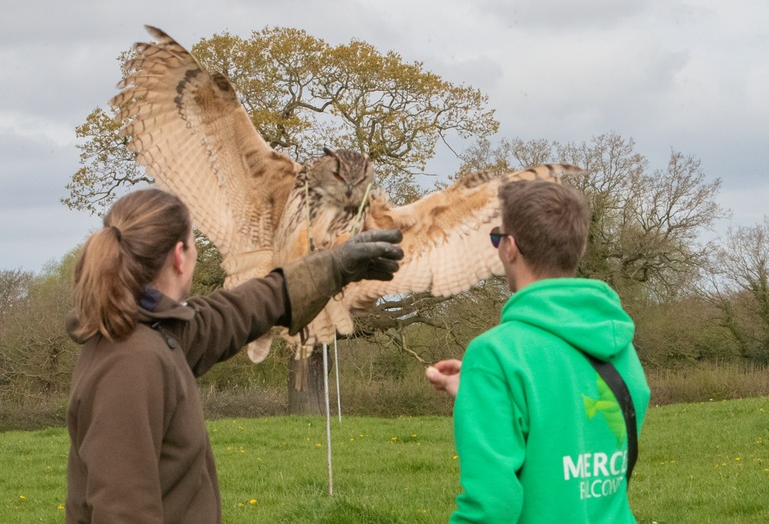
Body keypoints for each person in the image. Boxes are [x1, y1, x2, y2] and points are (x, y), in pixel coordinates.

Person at [64, 188, 403, 523]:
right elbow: (122, 512)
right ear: (179, 255)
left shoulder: (153, 332)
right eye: (195, 244)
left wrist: (333, 267)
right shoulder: (130, 364)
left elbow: (236, 311)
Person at [426, 180, 650, 523]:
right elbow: (578, 425)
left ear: (510, 248)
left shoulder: (496, 354)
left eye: (496, 237)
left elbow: (491, 507)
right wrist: (480, 391)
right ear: (582, 246)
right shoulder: (617, 341)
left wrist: (491, 383)